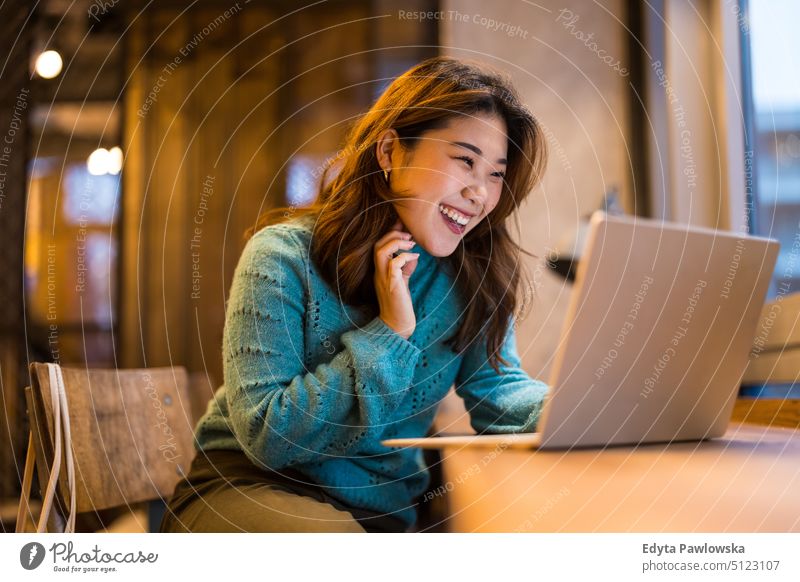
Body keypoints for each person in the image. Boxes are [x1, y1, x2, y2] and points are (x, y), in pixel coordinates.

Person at [160, 55, 549, 533]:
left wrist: (578, 410)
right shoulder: (282, 256)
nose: (480, 193)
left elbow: (499, 393)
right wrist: (389, 333)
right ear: (390, 152)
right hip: (253, 489)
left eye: (495, 173)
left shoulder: (472, 277)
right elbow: (266, 435)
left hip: (379, 513)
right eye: (465, 160)